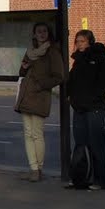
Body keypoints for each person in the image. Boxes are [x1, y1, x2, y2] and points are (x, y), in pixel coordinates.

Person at [14, 22, 66, 182]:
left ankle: (39, 169)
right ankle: (33, 168)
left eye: (44, 31)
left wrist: (40, 84)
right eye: (38, 31)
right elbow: (21, 72)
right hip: (26, 95)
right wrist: (24, 67)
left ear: (49, 34)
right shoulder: (30, 52)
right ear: (34, 34)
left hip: (39, 96)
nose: (42, 34)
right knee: (28, 134)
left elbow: (59, 76)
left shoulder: (52, 52)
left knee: (36, 134)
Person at [67, 29, 105, 190]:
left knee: (96, 143)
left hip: (94, 108)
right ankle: (80, 177)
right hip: (79, 108)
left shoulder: (99, 57)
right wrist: (70, 96)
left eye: (82, 41)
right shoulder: (78, 60)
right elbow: (72, 81)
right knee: (80, 143)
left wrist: (92, 97)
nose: (79, 44)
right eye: (77, 41)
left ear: (90, 41)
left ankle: (100, 180)